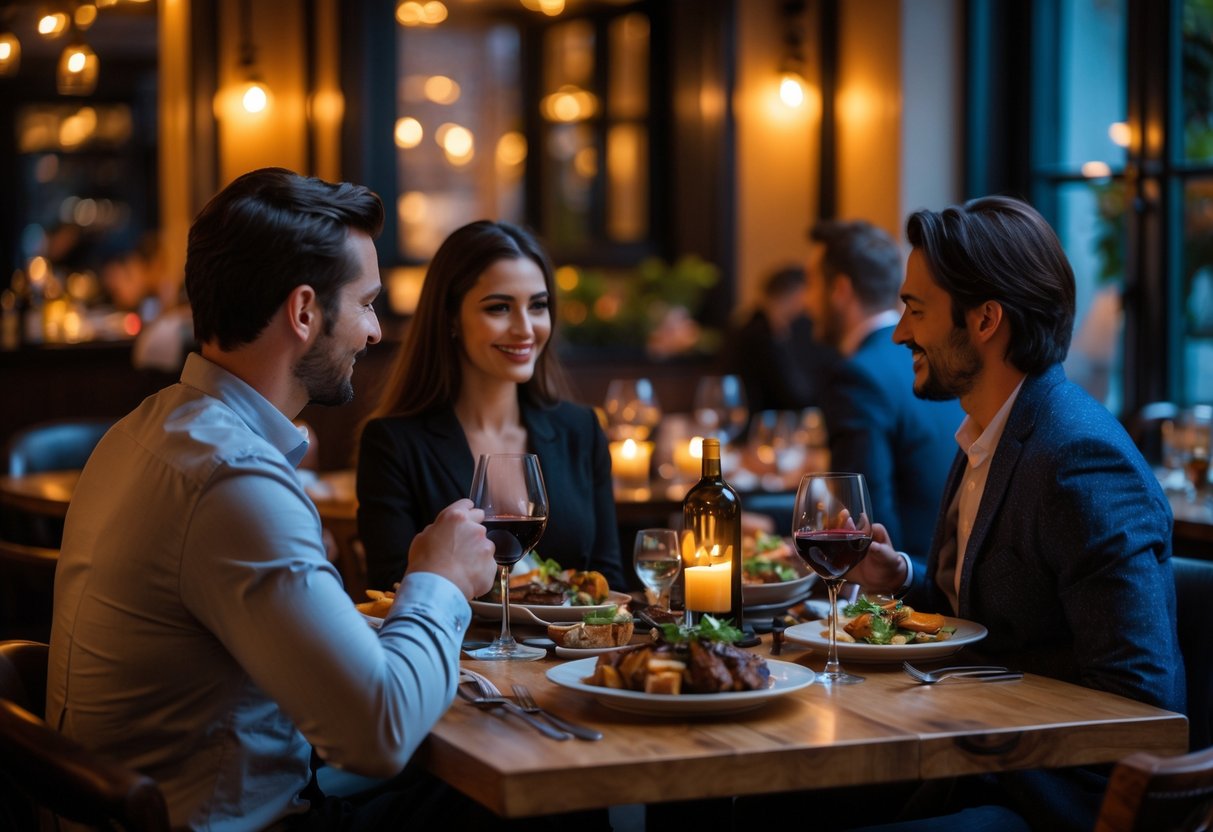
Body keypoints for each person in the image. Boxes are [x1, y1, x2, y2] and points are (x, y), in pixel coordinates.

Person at [45, 168, 499, 831]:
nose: (374, 332)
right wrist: (441, 579)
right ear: (305, 311)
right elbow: (378, 735)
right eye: (367, 303)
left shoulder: (144, 430)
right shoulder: (232, 478)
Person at [847, 196, 1185, 829]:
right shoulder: (990, 434)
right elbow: (999, 617)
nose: (898, 332)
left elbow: (1142, 701)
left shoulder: (1077, 459)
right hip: (969, 763)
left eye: (915, 310)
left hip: (1051, 796)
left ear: (984, 320)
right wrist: (906, 582)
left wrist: (969, 721)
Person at [357, 220, 626, 592]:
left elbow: (607, 581)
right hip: (457, 649)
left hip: (573, 651)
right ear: (450, 318)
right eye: (499, 308)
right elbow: (391, 590)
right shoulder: (392, 443)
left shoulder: (581, 429)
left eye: (538, 306)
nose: (525, 329)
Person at [806, 220, 964, 562]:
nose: (807, 301)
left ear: (840, 290)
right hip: (947, 566)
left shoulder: (858, 375)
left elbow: (863, 523)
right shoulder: (933, 355)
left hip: (907, 585)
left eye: (812, 283)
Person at [724, 264, 839, 414]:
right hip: (759, 427)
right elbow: (793, 394)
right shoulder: (759, 334)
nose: (810, 302)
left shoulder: (787, 328)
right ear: (795, 294)